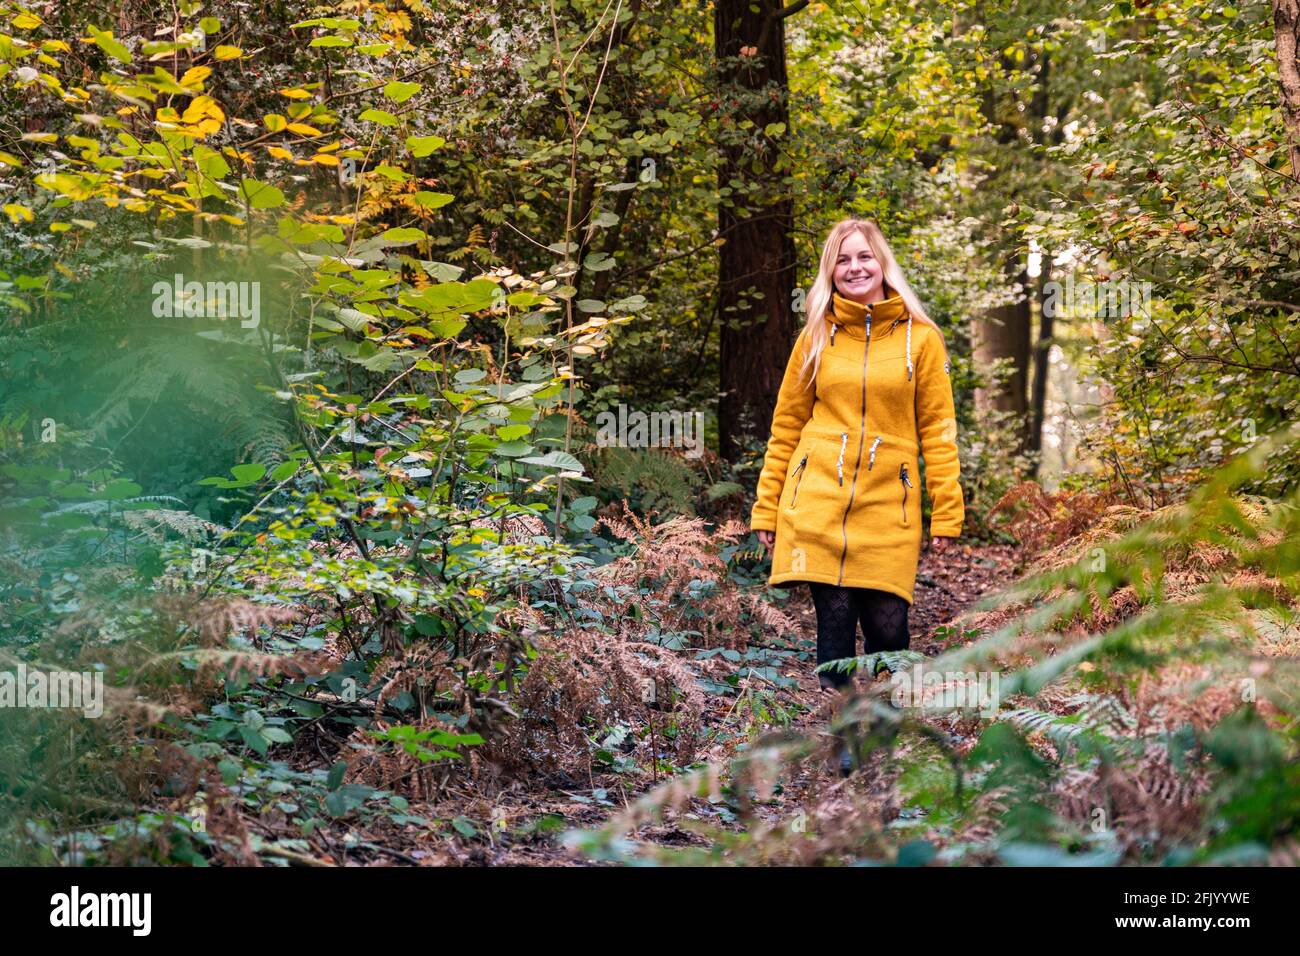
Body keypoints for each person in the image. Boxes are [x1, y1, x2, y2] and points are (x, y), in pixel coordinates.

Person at [749, 218, 965, 731]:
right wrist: (767, 503)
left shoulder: (922, 339)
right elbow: (786, 426)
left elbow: (939, 428)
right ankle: (844, 737)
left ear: (882, 263)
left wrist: (948, 511)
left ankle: (888, 734)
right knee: (836, 628)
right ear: (831, 271)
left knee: (889, 631)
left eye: (864, 257)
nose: (855, 268)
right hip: (820, 499)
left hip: (890, 503)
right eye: (843, 260)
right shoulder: (816, 338)